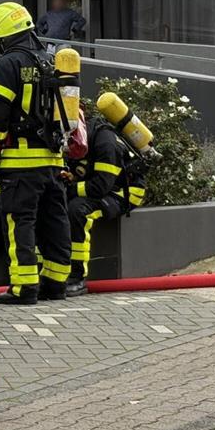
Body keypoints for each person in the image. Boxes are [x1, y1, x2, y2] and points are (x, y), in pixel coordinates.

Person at [0, 2, 72, 305]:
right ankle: (56, 283)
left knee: (19, 221)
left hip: (20, 163)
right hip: (53, 160)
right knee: (54, 221)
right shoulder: (50, 61)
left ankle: (24, 288)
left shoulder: (8, 65)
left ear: (6, 37)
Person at [64, 110, 148, 296]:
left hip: (122, 192)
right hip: (97, 186)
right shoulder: (71, 137)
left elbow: (100, 186)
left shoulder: (105, 142)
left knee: (77, 211)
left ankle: (77, 277)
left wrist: (68, 190)